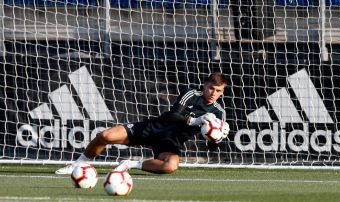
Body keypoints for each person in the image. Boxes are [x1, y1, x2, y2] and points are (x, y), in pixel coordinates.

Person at [55, 72, 229, 174]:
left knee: (170, 166)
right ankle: (79, 164)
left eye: (218, 90)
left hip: (170, 142)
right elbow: (172, 115)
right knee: (105, 135)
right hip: (154, 128)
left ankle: (130, 164)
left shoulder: (219, 113)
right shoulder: (192, 94)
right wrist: (195, 120)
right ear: (205, 85)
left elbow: (211, 148)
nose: (213, 93)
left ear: (222, 92)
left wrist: (217, 138)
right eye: (211, 88)